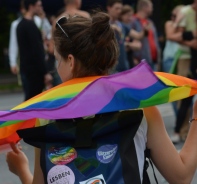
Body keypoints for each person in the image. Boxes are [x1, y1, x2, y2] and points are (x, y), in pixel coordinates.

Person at [6, 11, 197, 184]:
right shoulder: (139, 109)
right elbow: (181, 176)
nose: (56, 67)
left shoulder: (45, 117)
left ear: (71, 61)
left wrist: (21, 168)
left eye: (58, 59)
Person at [166, 0, 197, 144]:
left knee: (187, 99)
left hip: (192, 59)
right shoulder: (186, 14)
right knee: (186, 97)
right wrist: (191, 42)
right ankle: (180, 131)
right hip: (187, 60)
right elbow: (173, 35)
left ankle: (183, 131)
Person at [17, 0, 52, 101]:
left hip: (26, 69)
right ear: (31, 6)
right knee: (32, 100)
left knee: (30, 99)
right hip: (34, 71)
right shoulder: (30, 26)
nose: (41, 8)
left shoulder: (21, 25)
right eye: (39, 5)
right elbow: (37, 51)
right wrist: (45, 72)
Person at [107, 0, 145, 72]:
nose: (119, 11)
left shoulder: (122, 25)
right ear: (109, 8)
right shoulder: (104, 24)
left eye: (120, 9)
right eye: (116, 8)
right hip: (109, 68)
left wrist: (145, 30)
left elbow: (138, 36)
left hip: (123, 66)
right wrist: (111, 28)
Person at [132, 0, 161, 71]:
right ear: (145, 7)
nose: (152, 9)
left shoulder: (150, 22)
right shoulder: (133, 21)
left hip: (153, 61)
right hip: (140, 62)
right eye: (151, 7)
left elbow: (155, 41)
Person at [162, 5, 184, 73]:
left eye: (175, 16)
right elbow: (169, 36)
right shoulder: (169, 23)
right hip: (170, 58)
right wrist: (177, 21)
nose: (172, 17)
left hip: (182, 58)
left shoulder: (183, 26)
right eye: (172, 15)